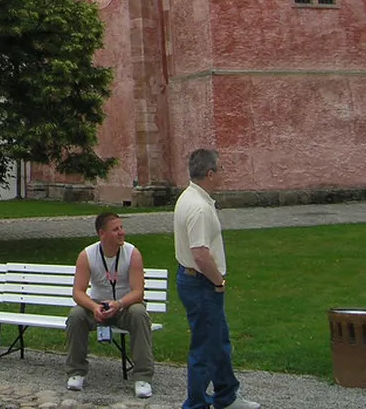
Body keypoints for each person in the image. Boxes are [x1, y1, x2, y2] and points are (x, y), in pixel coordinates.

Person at [173, 148, 260, 409]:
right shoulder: (199, 207)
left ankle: (226, 395)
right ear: (210, 174)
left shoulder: (189, 197)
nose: (221, 175)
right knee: (205, 347)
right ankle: (196, 403)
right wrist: (218, 281)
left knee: (219, 340)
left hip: (194, 280)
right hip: (201, 282)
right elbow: (200, 254)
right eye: (219, 170)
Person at [66, 212, 155, 399]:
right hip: (97, 306)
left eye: (122, 228)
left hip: (125, 306)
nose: (122, 232)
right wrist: (93, 307)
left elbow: (138, 292)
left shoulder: (132, 253)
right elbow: (78, 292)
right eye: (116, 229)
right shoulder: (87, 255)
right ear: (102, 234)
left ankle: (142, 377)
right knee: (75, 315)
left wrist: (119, 303)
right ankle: (76, 372)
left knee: (139, 313)